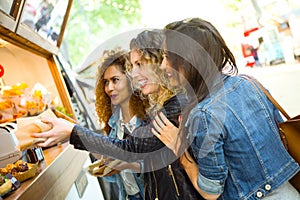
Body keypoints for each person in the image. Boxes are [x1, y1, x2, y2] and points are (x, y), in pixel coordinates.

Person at [31, 30, 203, 200]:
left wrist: (72, 131)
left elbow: (131, 147)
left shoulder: (176, 105)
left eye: (139, 64)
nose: (134, 74)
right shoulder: (162, 107)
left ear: (157, 62)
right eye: (132, 66)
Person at [150, 17, 300, 199]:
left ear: (188, 59)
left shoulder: (204, 114)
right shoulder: (248, 83)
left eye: (167, 56)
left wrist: (180, 150)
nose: (162, 65)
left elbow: (210, 191)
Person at [93, 49, 147, 200]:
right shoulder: (114, 123)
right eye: (106, 82)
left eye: (115, 80)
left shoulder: (147, 120)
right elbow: (116, 178)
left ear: (131, 80)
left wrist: (126, 164)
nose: (109, 88)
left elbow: (157, 168)